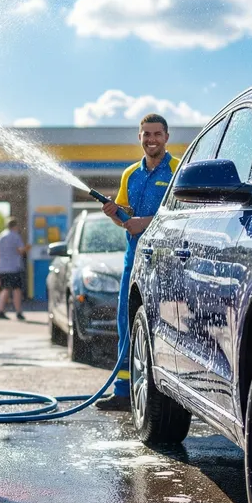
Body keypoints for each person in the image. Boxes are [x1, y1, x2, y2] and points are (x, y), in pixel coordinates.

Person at [95, 113, 179, 411]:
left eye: (157, 134)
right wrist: (115, 213)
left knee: (167, 325)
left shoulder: (177, 170)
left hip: (168, 261)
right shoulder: (130, 174)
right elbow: (127, 217)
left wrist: (146, 222)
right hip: (135, 259)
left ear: (166, 137)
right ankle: (123, 391)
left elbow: (183, 214)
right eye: (146, 134)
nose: (151, 139)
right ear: (139, 137)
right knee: (126, 322)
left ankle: (168, 393)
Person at [0, 218, 30, 320]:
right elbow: (20, 250)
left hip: (3, 267)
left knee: (5, 289)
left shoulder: (0, 236)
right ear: (15, 226)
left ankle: (0, 310)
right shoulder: (15, 236)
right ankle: (18, 312)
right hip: (14, 267)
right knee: (16, 290)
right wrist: (27, 248)